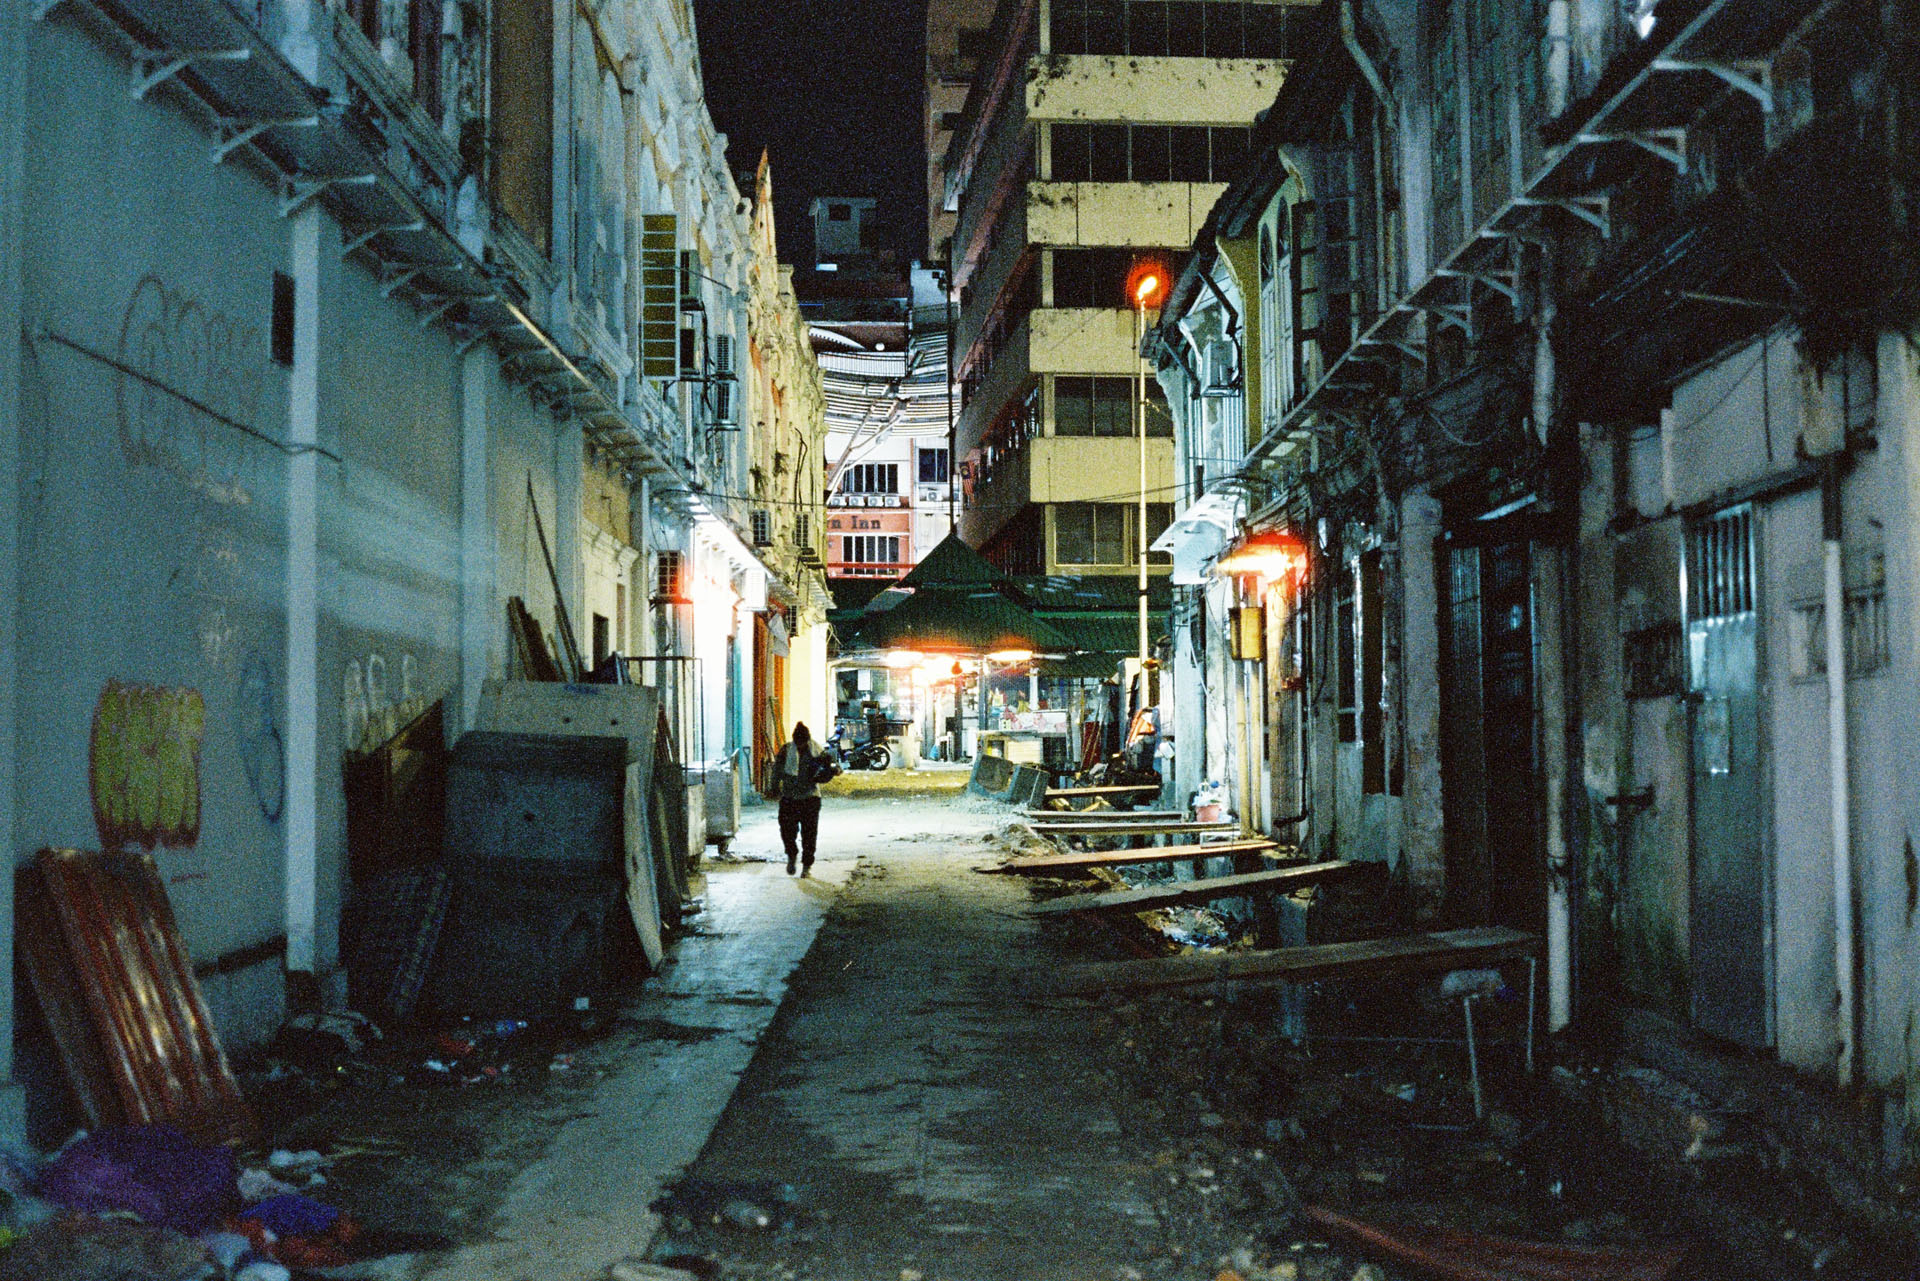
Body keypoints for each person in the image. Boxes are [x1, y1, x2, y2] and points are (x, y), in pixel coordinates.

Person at [770, 722, 836, 875]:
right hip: (789, 798)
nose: (800, 747)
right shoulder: (786, 751)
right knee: (787, 831)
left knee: (809, 834)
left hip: (810, 798)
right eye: (798, 743)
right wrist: (774, 788)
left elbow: (831, 765)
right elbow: (776, 770)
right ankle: (791, 855)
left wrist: (834, 770)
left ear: (808, 740)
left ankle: (807, 866)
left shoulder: (817, 751)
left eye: (803, 743)